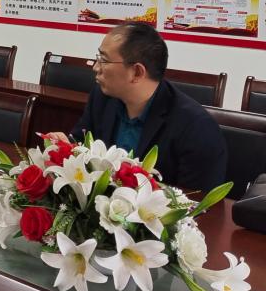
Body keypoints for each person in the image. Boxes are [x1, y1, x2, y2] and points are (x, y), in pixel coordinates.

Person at [60, 22, 226, 193]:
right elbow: (80, 144)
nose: (96, 67)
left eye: (104, 60)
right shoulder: (103, 98)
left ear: (137, 72)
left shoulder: (196, 128)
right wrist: (64, 146)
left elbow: (196, 201)